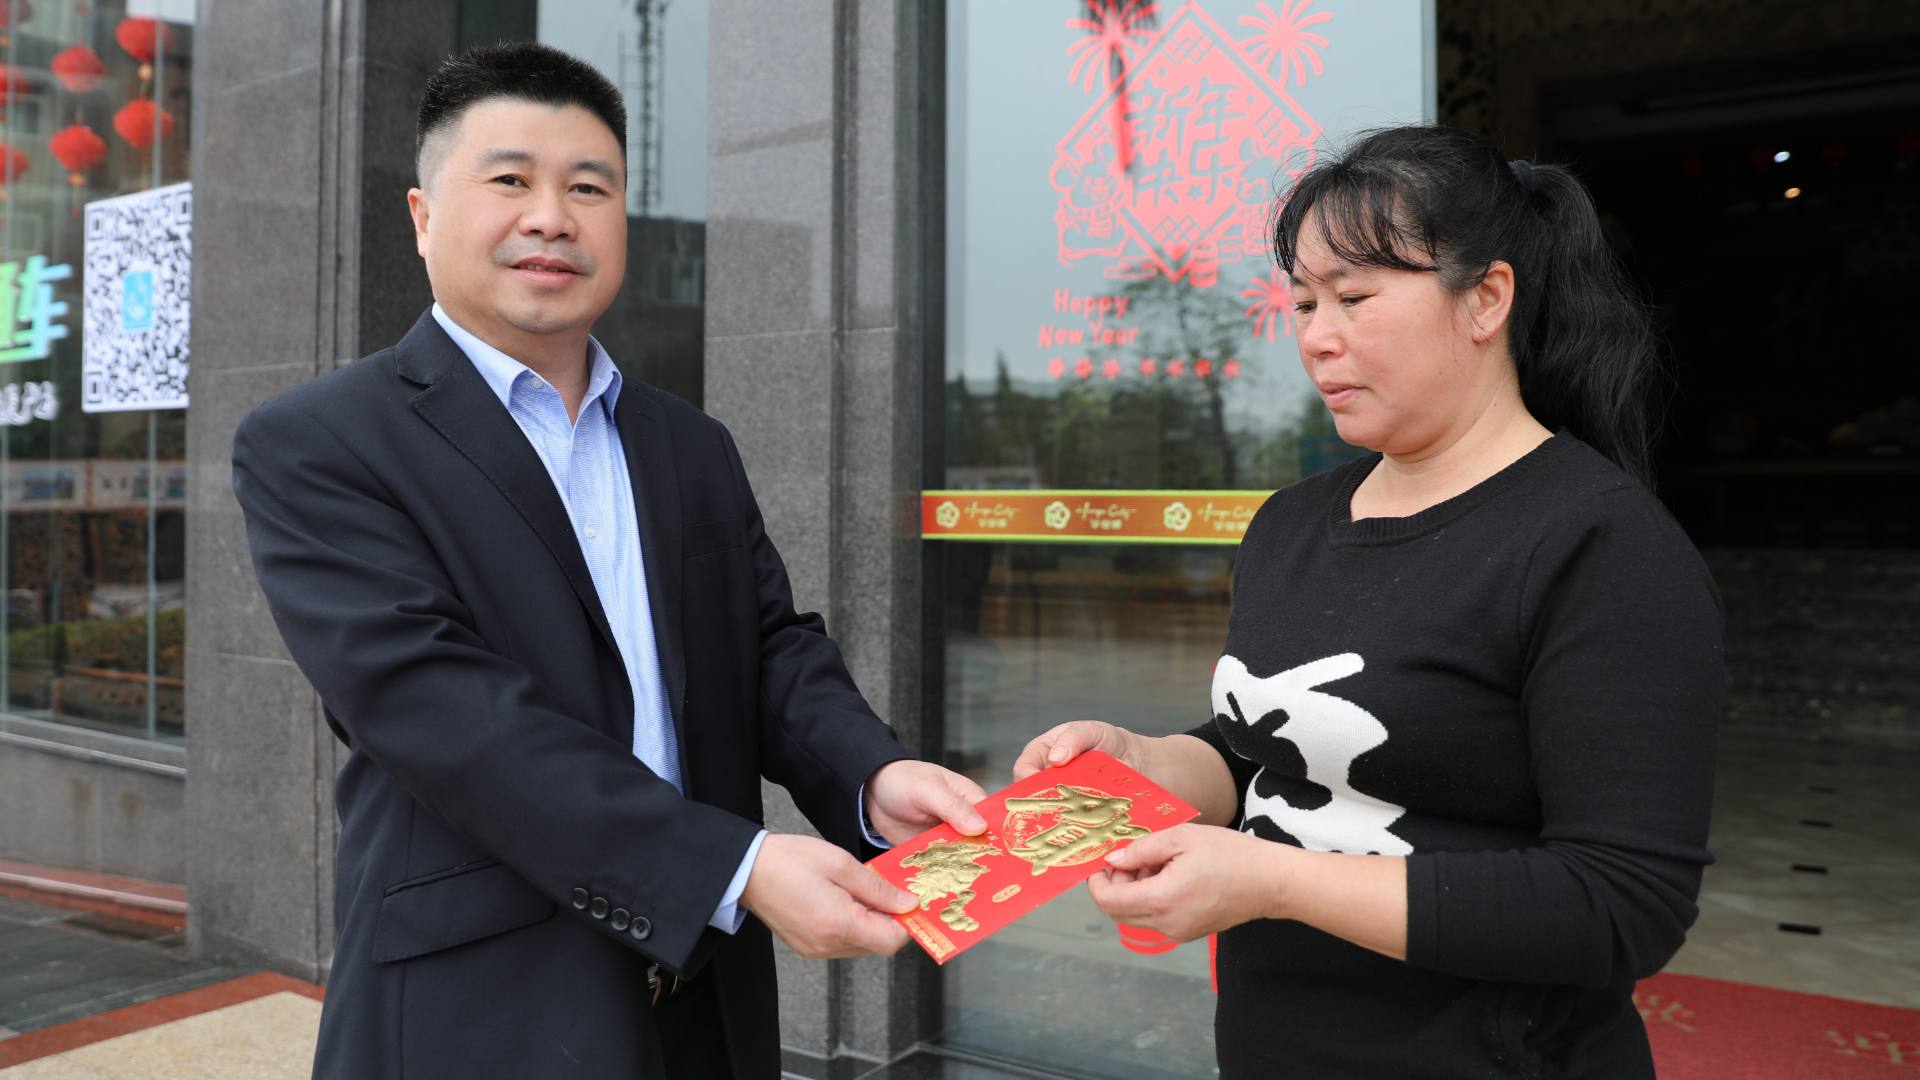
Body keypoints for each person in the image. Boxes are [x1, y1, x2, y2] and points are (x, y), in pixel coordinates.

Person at [232, 42, 987, 1079]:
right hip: (483, 1004)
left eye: (589, 188)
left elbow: (769, 647)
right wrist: (733, 866)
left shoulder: (689, 442)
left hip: (705, 992)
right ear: (422, 216)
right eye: (510, 181)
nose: (552, 217)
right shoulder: (320, 441)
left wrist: (871, 775)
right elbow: (440, 710)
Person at [1015, 125, 1723, 1079]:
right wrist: (1141, 765)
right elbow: (1267, 751)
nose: (1317, 336)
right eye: (1304, 302)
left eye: (1354, 298)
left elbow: (1620, 902)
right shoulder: (1291, 523)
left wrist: (1274, 881)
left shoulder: (1600, 546)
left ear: (1487, 298)